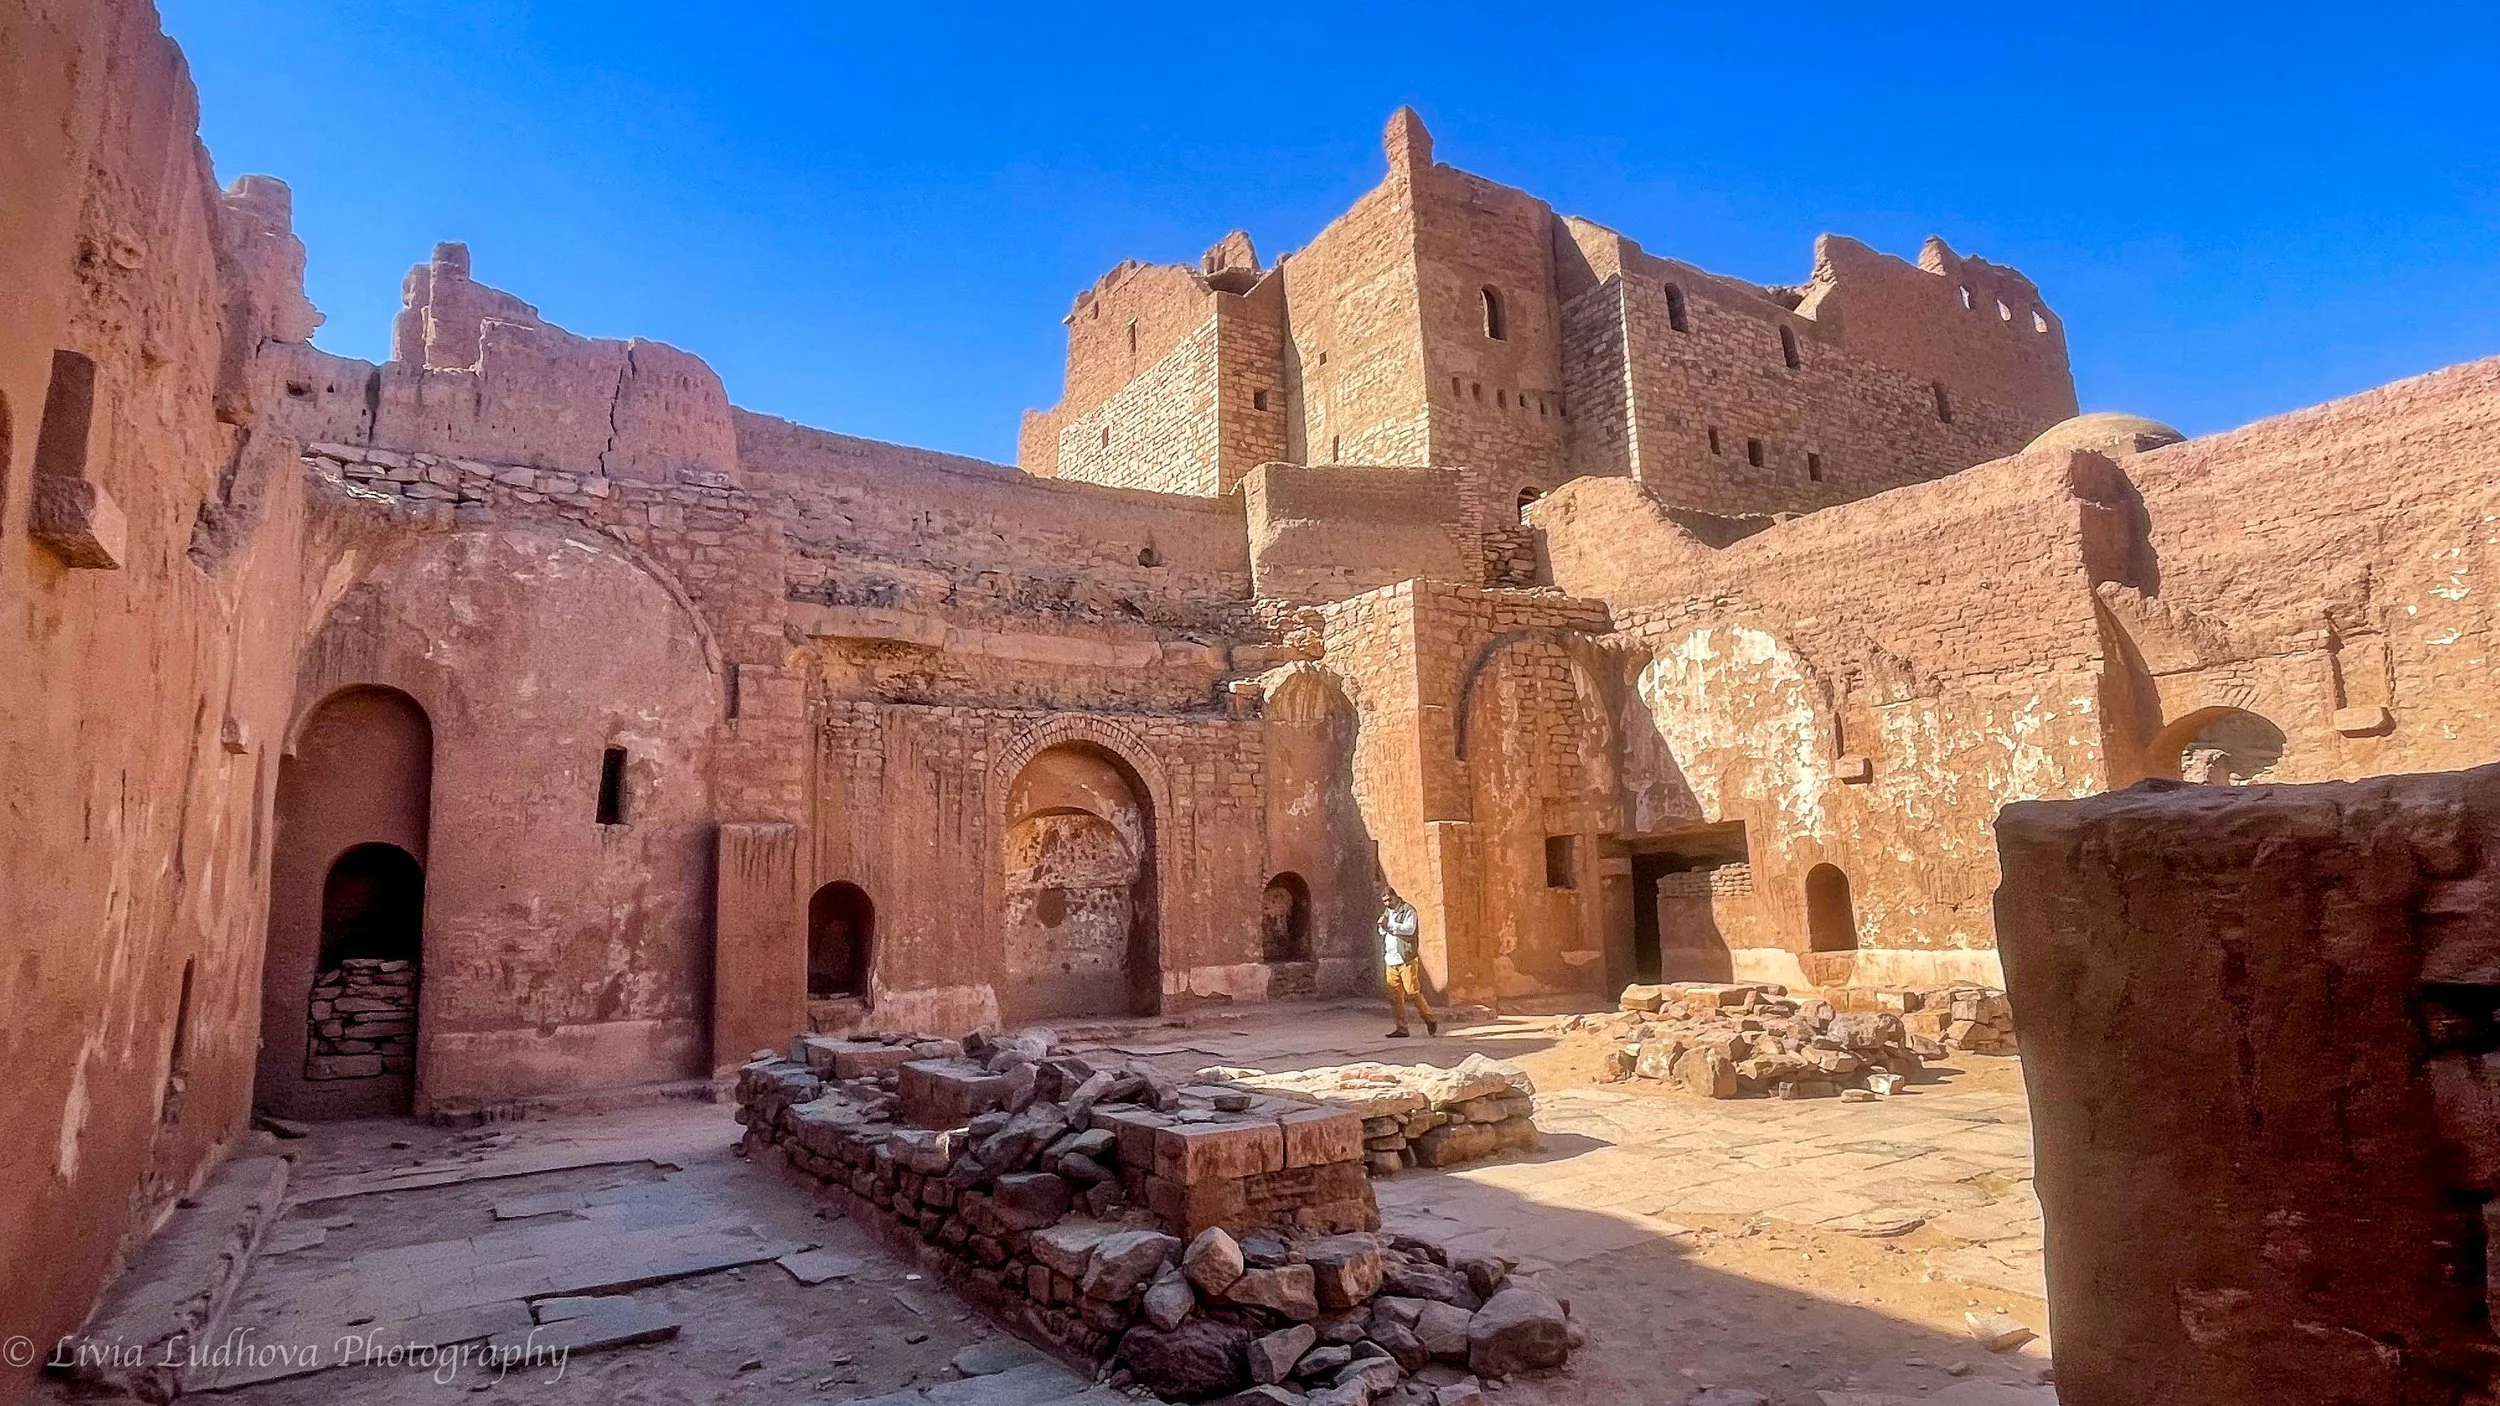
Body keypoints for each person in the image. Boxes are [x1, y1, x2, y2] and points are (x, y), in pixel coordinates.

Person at [1378, 884, 1439, 1038]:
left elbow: (1409, 929)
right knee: (1394, 996)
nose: (1387, 903)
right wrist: (1382, 926)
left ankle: (1429, 1018)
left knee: (1412, 991)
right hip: (1391, 959)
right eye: (1384, 901)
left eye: (1388, 900)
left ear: (1395, 897)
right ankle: (1401, 1028)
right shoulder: (1387, 912)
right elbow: (1382, 931)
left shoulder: (1408, 910)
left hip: (1406, 958)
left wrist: (1389, 925)